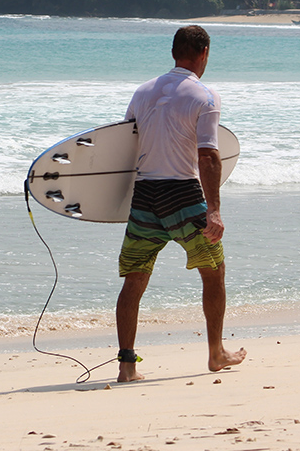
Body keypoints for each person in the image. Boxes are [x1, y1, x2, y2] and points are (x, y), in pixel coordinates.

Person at [115, 25, 246, 382]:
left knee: (134, 280)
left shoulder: (143, 92)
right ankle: (216, 353)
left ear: (174, 52)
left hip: (145, 196)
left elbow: (124, 146)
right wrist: (214, 210)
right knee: (213, 271)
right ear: (203, 53)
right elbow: (208, 156)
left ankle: (127, 366)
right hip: (182, 196)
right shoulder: (204, 95)